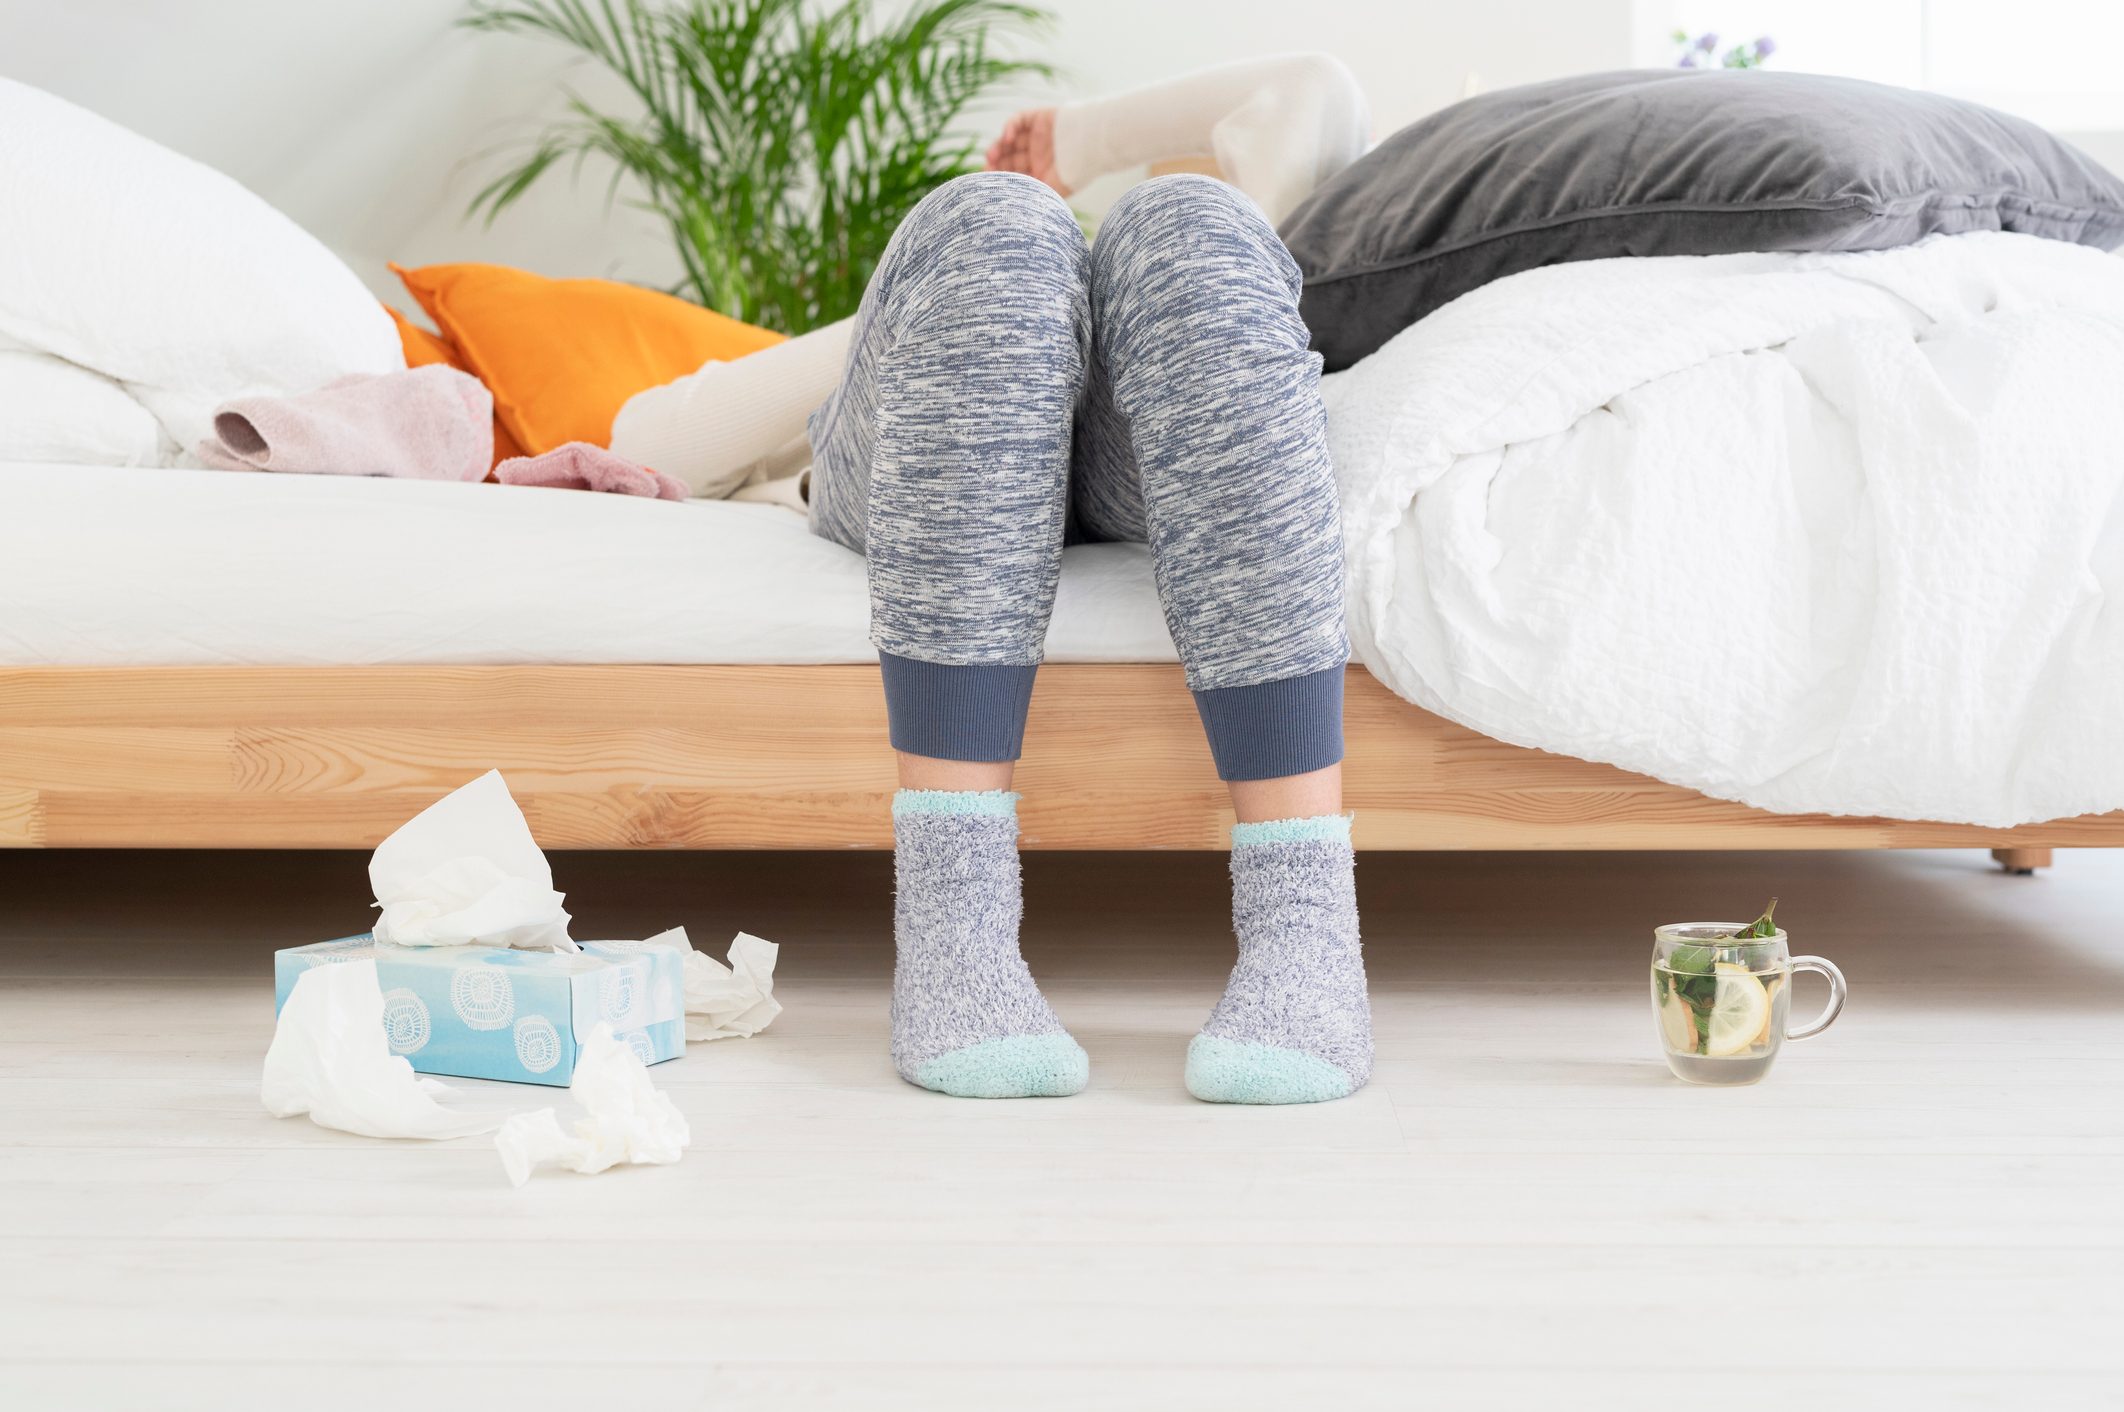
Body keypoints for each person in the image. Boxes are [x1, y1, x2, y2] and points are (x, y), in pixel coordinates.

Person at [614, 56, 1375, 1105]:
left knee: (1192, 222)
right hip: (927, 425)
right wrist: (1043, 225)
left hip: (1146, 444)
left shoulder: (1256, 227)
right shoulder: (1012, 246)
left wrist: (1091, 183)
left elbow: (1317, 91)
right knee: (995, 224)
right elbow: (653, 435)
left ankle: (1307, 927)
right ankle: (953, 926)